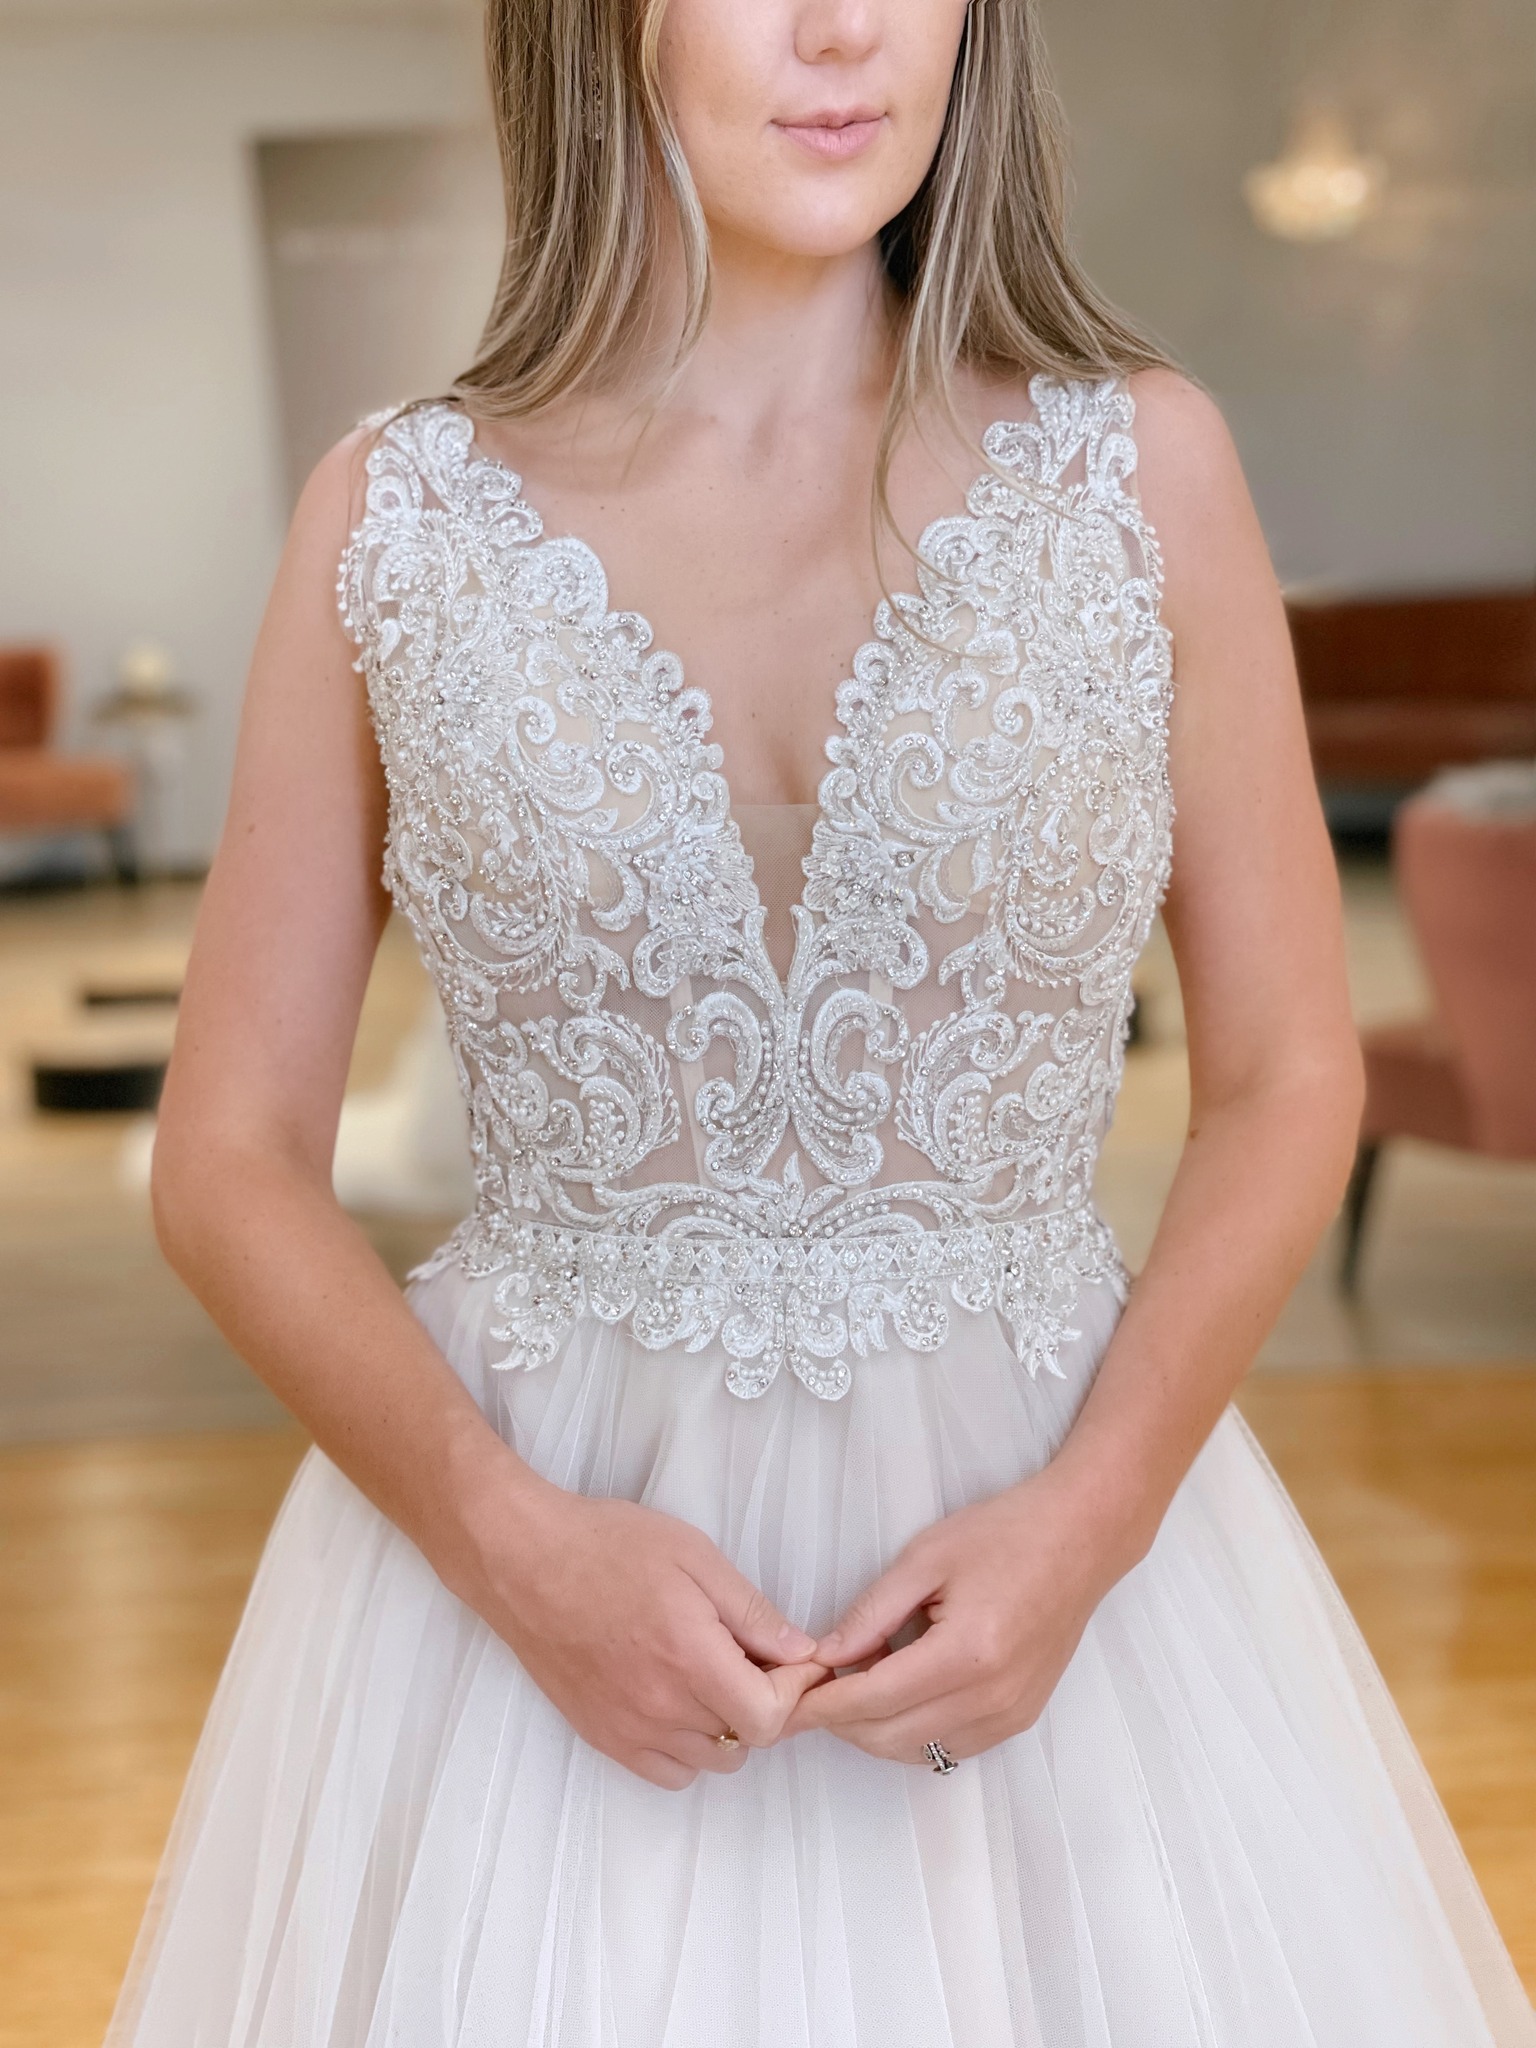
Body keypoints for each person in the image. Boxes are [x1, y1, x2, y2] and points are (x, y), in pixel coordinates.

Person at [107, 2, 1535, 2043]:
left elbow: (1294, 1077)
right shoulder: (393, 519)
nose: (849, 27)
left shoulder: (1144, 471)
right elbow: (226, 1157)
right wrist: (510, 1545)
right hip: (517, 1598)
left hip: (1063, 1578)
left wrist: (1096, 1516)